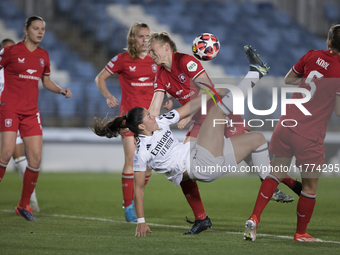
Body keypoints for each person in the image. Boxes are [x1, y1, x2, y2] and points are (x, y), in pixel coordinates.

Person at [93, 45, 274, 237]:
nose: (153, 116)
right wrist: (141, 221)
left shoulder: (161, 122)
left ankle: (269, 183)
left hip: (209, 163)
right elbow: (138, 189)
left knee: (258, 138)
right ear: (140, 127)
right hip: (199, 165)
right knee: (216, 111)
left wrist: (211, 93)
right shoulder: (141, 153)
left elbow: (187, 109)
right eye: (148, 116)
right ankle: (255, 74)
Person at [147, 32, 301, 234]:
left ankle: (289, 185)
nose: (150, 54)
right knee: (184, 168)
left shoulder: (185, 61)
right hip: (201, 121)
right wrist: (141, 125)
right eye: (148, 51)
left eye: (152, 49)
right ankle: (202, 218)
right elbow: (154, 108)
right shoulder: (160, 74)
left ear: (166, 46)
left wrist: (185, 113)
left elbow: (208, 89)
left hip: (218, 113)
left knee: (250, 155)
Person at [244, 24, 340, 242]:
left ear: (328, 42)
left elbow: (289, 79)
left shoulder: (312, 55)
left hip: (286, 124)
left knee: (275, 173)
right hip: (309, 134)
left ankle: (254, 217)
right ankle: (301, 233)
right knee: (310, 186)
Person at [0, 16, 72, 221]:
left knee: (36, 159)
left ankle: (23, 205)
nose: (40, 32)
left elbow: (46, 80)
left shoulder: (43, 55)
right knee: (5, 154)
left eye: (42, 29)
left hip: (31, 112)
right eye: (36, 28)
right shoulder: (10, 51)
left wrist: (60, 90)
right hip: (10, 109)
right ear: (26, 30)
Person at [95, 22, 157, 222]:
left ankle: (132, 197)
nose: (145, 40)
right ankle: (129, 206)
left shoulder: (155, 60)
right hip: (128, 118)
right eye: (141, 36)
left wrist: (169, 97)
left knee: (147, 166)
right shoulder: (122, 59)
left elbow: (164, 84)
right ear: (132, 38)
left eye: (148, 36)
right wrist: (107, 95)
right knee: (131, 159)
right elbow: (100, 78)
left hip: (149, 121)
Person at [0, 38, 40, 212]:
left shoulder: (19, 69)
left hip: (11, 114)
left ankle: (31, 199)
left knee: (17, 156)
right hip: (5, 112)